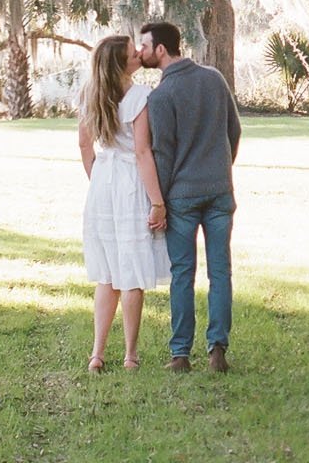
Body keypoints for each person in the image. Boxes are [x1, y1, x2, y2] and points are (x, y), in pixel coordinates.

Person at [138, 19, 243, 375]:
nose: (141, 52)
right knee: (220, 272)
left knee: (183, 273)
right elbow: (234, 130)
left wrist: (160, 202)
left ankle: (180, 355)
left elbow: (162, 153)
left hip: (181, 196)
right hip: (219, 191)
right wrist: (220, 167)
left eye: (145, 46)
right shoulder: (214, 78)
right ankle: (217, 350)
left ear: (161, 50)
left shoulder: (161, 96)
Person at [77, 33, 170, 371]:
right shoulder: (140, 96)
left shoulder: (90, 94)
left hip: (103, 182)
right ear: (122, 63)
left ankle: (97, 354)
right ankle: (130, 355)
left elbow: (85, 147)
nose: (138, 55)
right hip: (131, 181)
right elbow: (143, 152)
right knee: (130, 272)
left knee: (108, 275)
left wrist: (99, 180)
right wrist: (157, 202)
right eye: (133, 53)